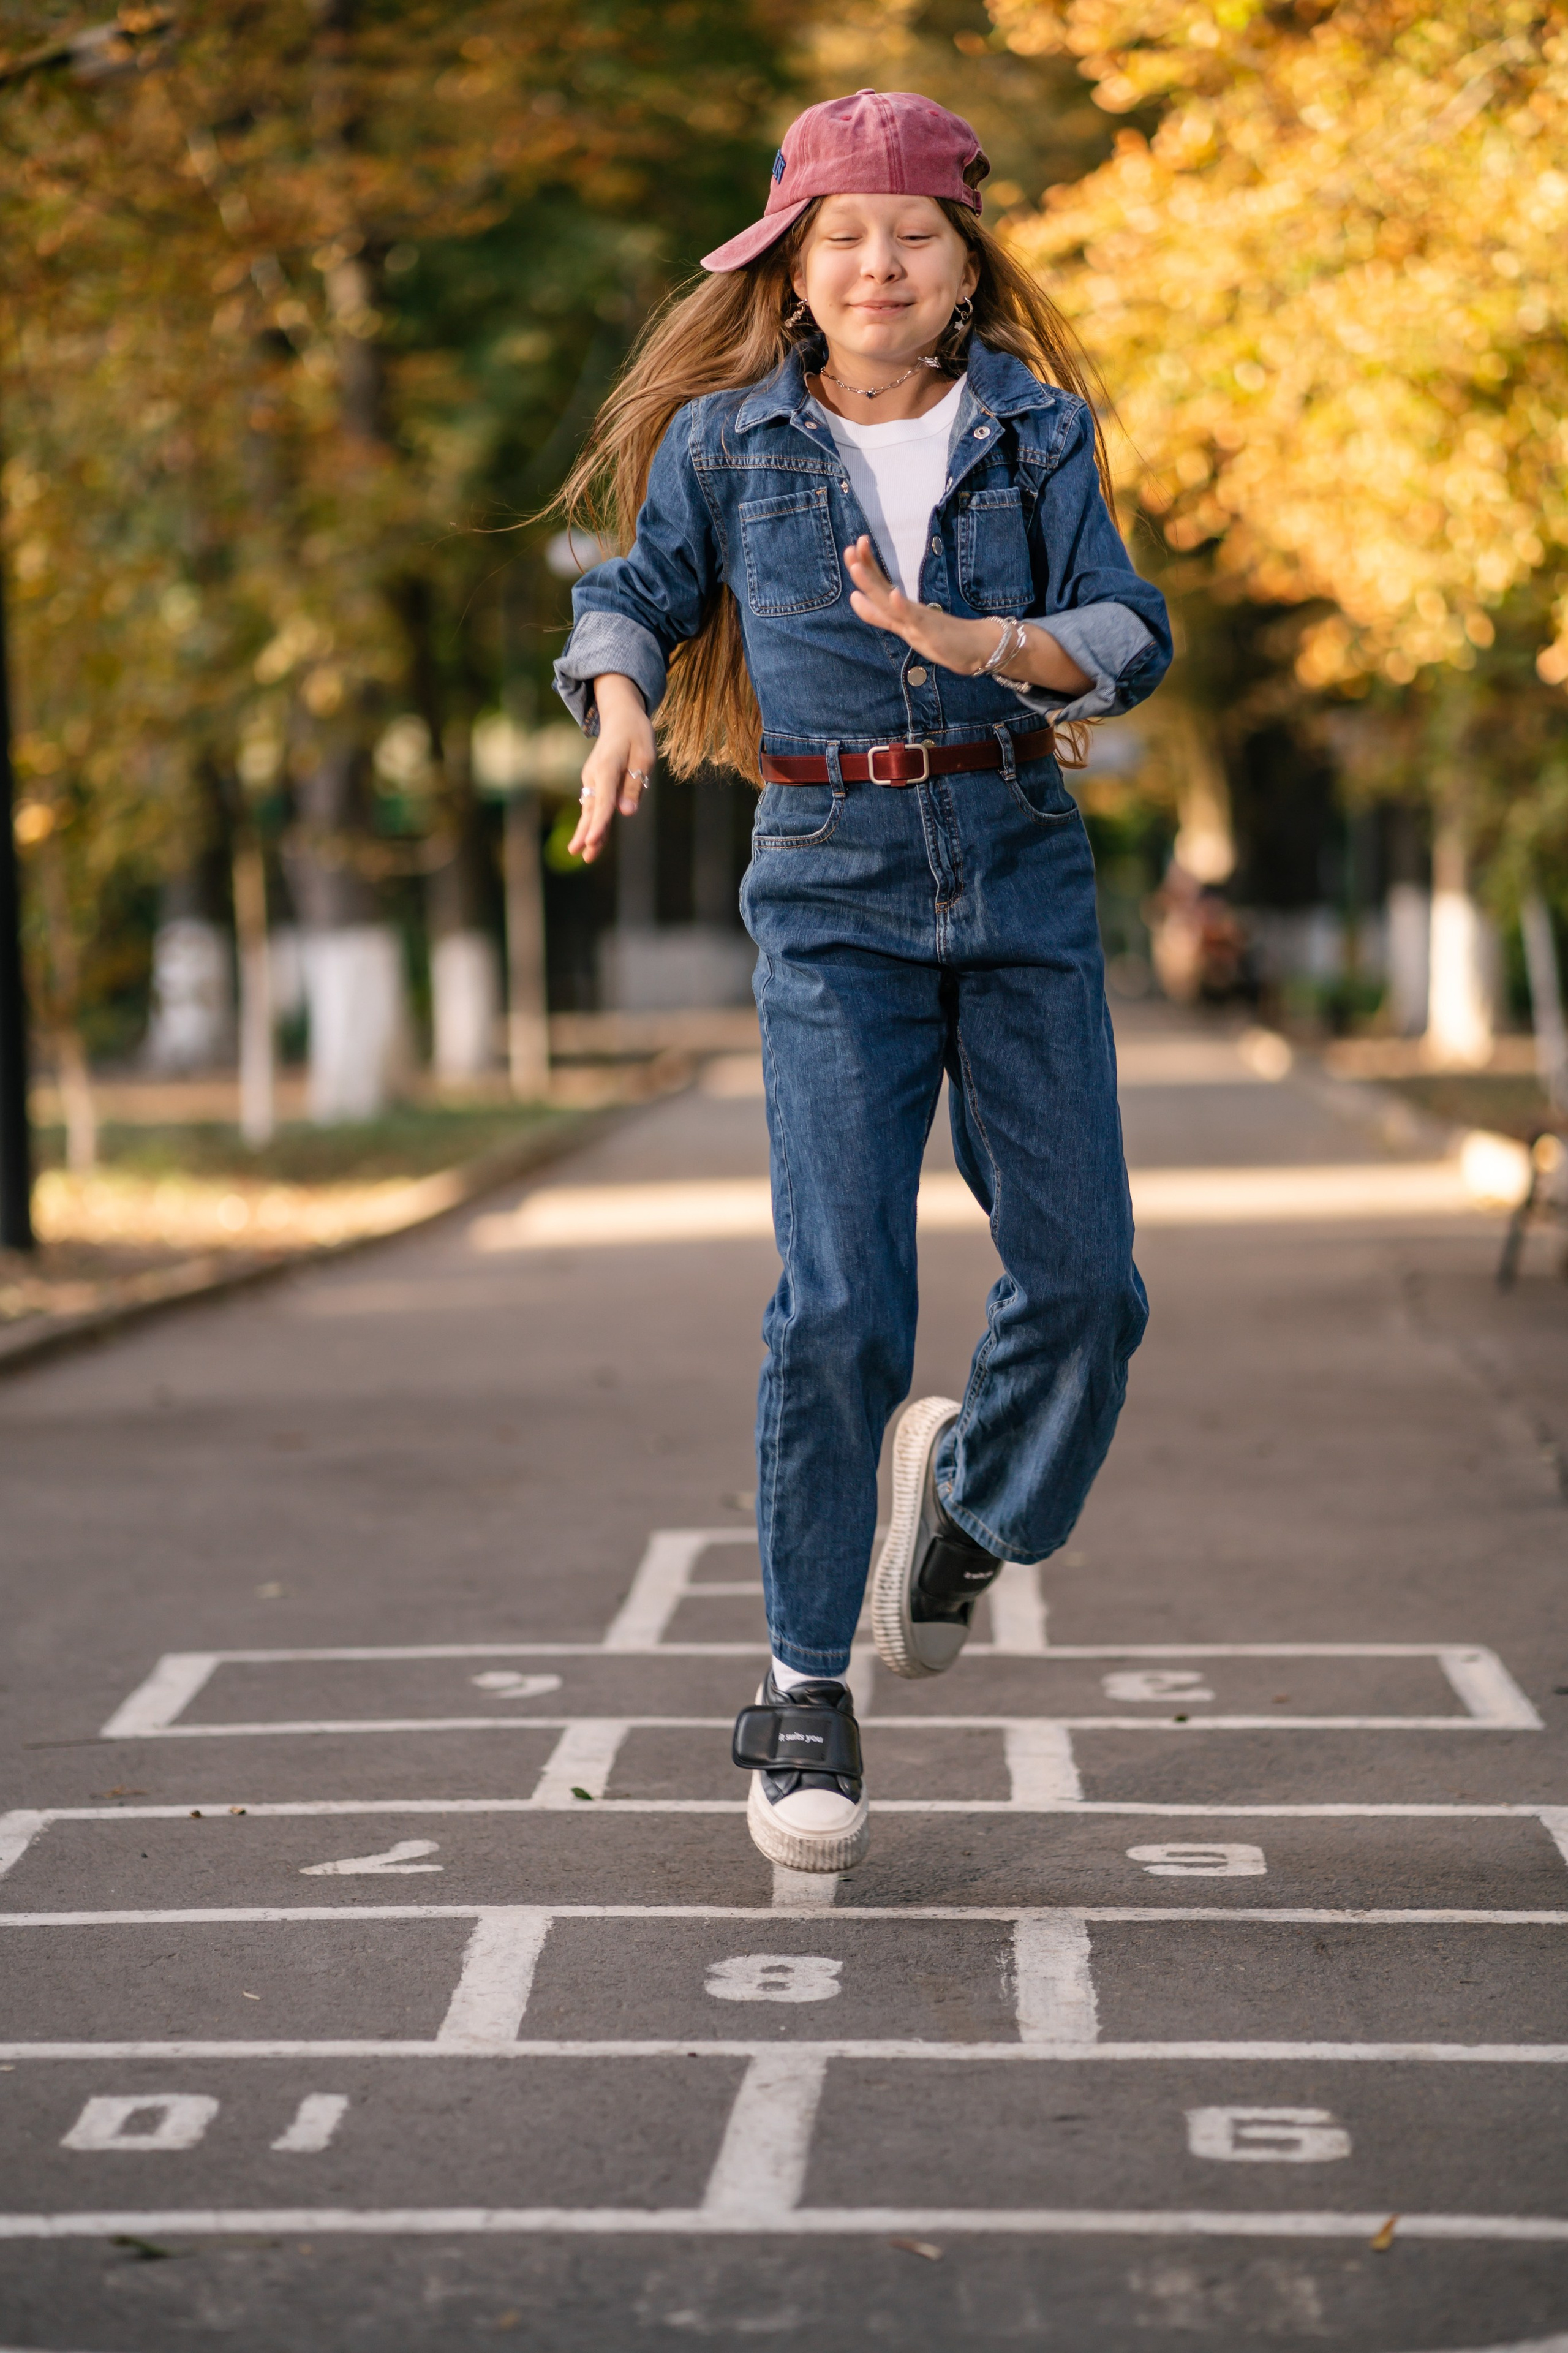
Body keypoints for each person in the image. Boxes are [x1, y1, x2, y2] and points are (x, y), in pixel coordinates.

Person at [552, 88, 1170, 1872]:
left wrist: (981, 644)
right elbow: (632, 600)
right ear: (792, 270)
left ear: (965, 257)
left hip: (1023, 866)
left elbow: (1127, 632)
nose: (878, 260)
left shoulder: (1044, 435)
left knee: (1090, 1289)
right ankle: (806, 1685)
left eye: (913, 230)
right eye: (842, 236)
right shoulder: (729, 444)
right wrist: (615, 718)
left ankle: (964, 1512)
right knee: (839, 1307)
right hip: (828, 887)